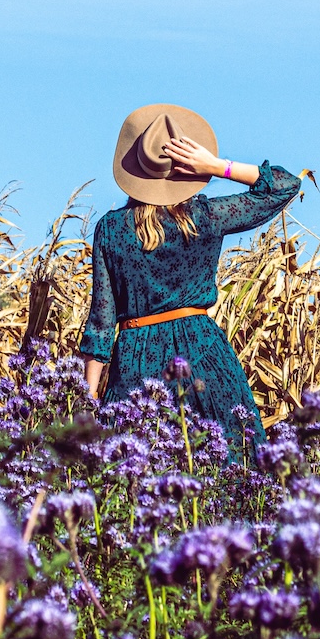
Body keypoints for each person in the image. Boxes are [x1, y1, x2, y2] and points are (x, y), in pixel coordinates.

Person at [79, 103, 301, 454]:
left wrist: (89, 400)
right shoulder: (207, 216)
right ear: (186, 168)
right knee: (228, 468)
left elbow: (101, 325)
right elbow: (284, 185)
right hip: (202, 353)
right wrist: (217, 165)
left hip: (137, 359)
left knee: (136, 480)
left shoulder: (110, 229)